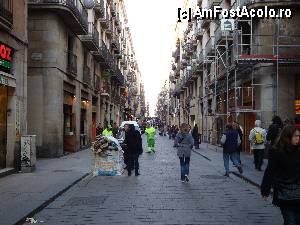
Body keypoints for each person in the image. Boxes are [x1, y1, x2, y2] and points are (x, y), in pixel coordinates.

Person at [261, 125, 300, 225]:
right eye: (295, 136)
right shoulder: (277, 152)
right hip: (284, 193)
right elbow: (270, 171)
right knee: (290, 221)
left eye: (299, 136)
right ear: (287, 137)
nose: (298, 138)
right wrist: (265, 190)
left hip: (298, 193)